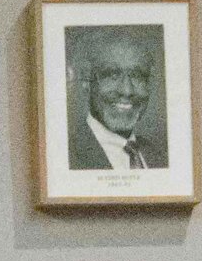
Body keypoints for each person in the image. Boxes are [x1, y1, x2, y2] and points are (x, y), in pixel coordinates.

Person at [66, 28, 169, 171]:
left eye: (138, 76)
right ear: (86, 81)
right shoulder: (66, 155)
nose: (127, 90)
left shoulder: (161, 157)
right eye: (112, 75)